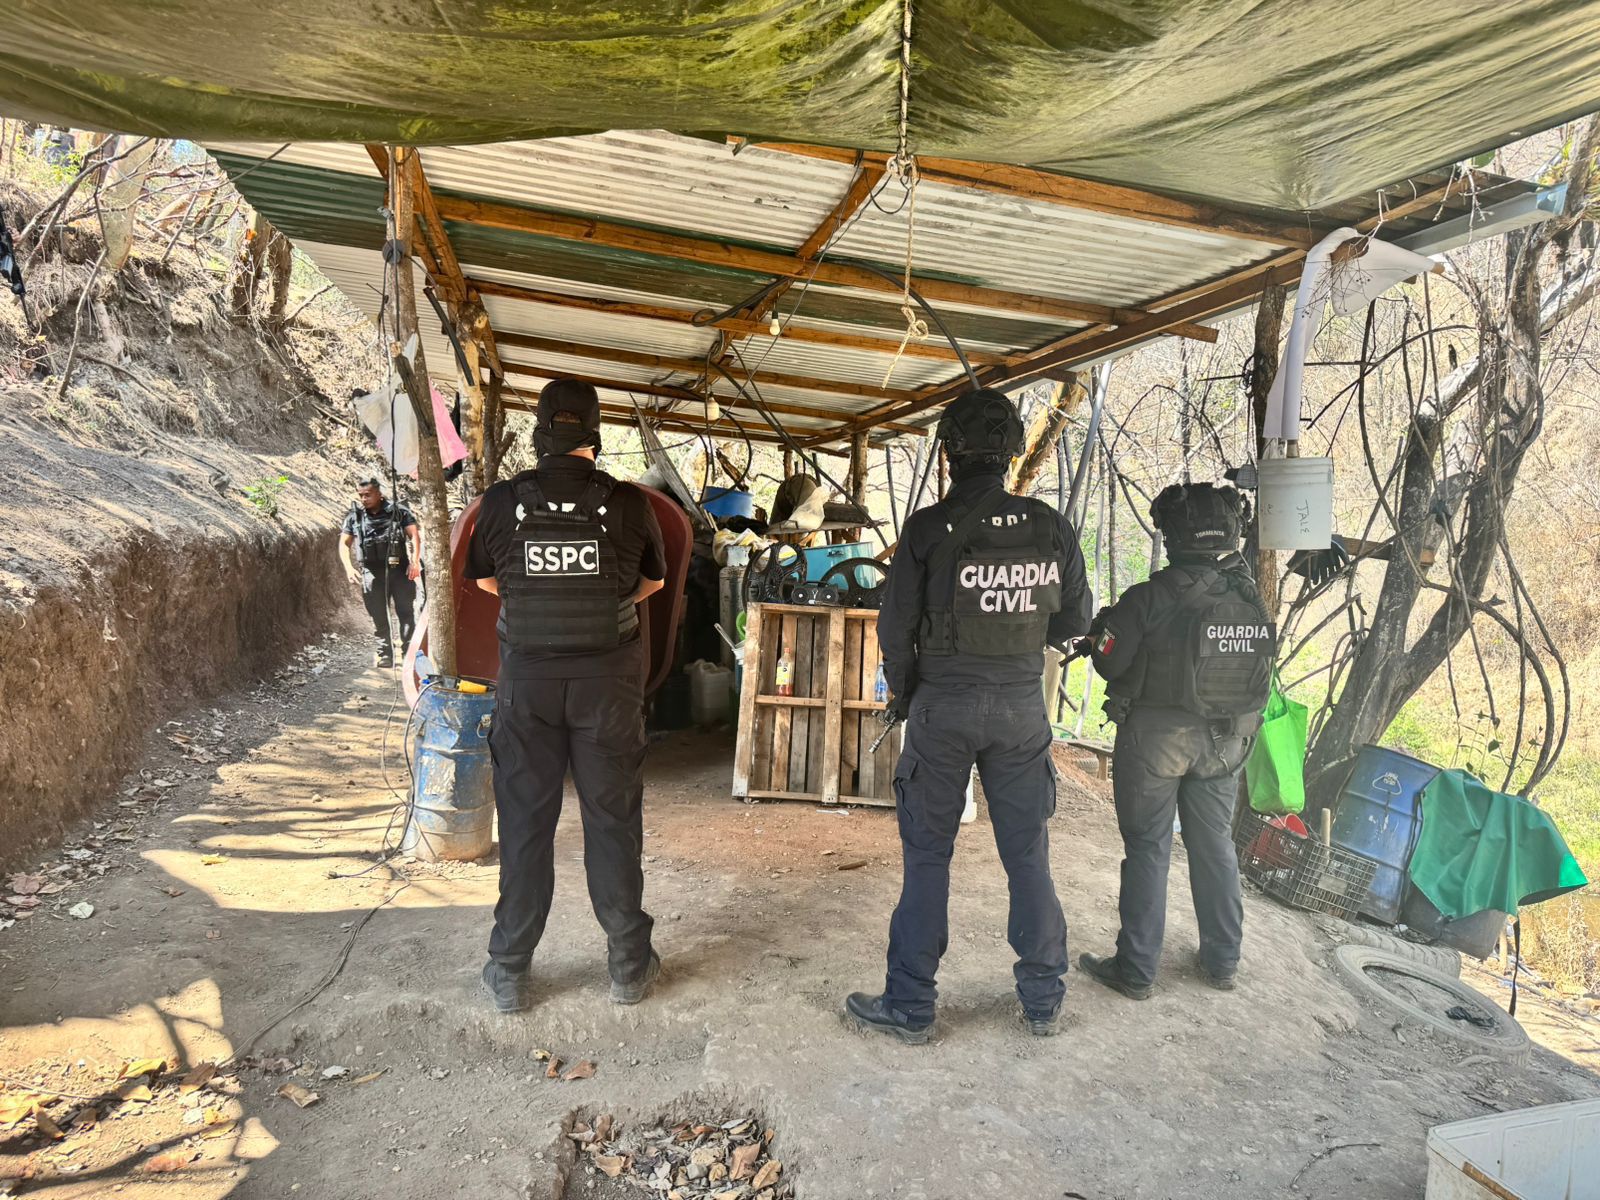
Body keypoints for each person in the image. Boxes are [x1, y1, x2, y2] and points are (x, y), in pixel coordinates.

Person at [845, 387, 1092, 1043]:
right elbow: (1075, 619)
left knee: (928, 858)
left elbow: (895, 629)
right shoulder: (1049, 526)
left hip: (942, 707)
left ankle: (910, 1005)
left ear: (948, 454)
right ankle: (1043, 999)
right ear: (1011, 452)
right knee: (1028, 857)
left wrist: (905, 695)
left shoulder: (928, 529)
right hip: (1019, 709)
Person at [464, 378, 667, 1014]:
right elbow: (652, 582)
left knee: (525, 823)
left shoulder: (501, 502)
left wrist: (537, 602)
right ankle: (628, 965)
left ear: (540, 430)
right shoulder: (630, 502)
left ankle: (509, 970)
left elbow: (488, 580)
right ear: (595, 434)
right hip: (608, 686)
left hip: (527, 685)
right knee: (612, 820)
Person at [1077, 482, 1274, 1000]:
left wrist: (1102, 634)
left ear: (1173, 536)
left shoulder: (1149, 598)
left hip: (1156, 743)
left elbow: (1109, 663)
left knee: (1148, 849)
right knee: (1215, 847)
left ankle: (1136, 970)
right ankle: (1222, 961)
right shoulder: (1248, 596)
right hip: (1226, 743)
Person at [340, 478, 420, 668]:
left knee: (405, 613)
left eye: (368, 495)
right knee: (378, 615)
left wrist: (414, 562)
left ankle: (409, 654)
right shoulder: (355, 517)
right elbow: (344, 543)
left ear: (379, 493)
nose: (364, 499)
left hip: (399, 570)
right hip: (371, 572)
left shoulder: (398, 512)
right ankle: (385, 653)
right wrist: (349, 567)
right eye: (361, 495)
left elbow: (414, 535)